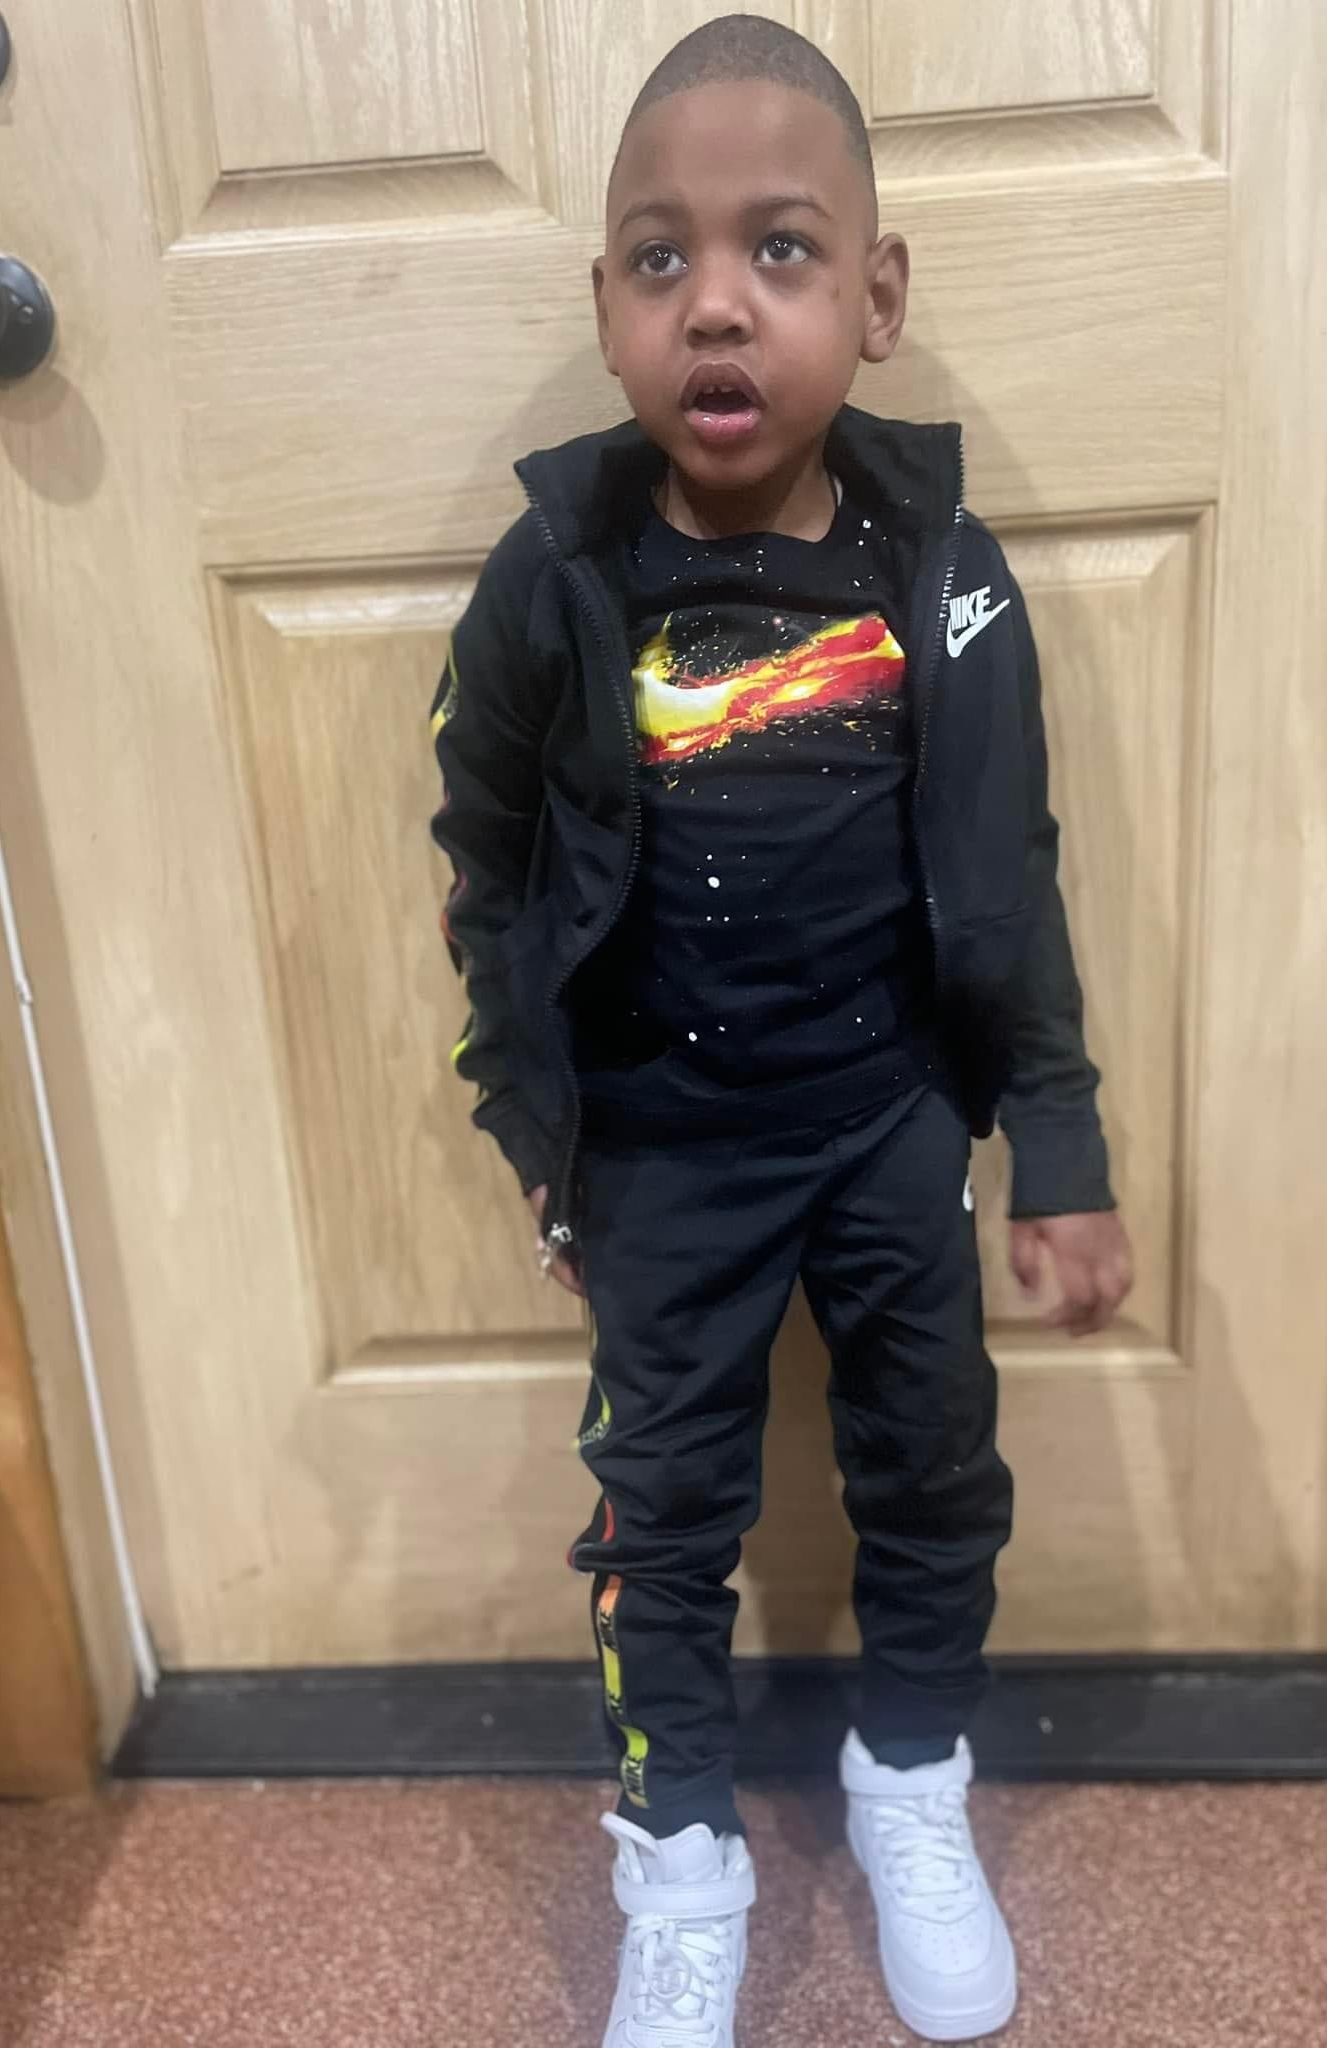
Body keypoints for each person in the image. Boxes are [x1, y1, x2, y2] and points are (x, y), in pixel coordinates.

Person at [430, 16, 1133, 2043]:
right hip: (658, 1148)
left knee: (933, 1466)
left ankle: (909, 1779)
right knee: (662, 1516)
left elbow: (1008, 872)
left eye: (781, 251)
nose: (718, 304)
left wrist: (1058, 1148)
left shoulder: (943, 572)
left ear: (876, 298)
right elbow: (483, 870)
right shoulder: (551, 581)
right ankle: (681, 1863)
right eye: (662, 259)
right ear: (607, 308)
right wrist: (541, 1137)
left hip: (887, 1121)